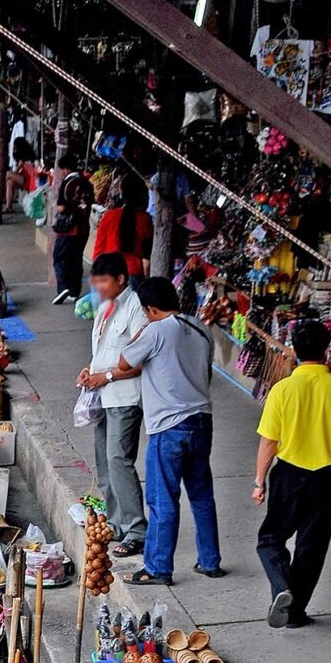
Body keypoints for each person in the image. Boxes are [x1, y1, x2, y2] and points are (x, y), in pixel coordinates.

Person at [253, 319, 331, 629]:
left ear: (294, 351)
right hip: (324, 478)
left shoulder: (283, 390)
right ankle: (295, 614)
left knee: (270, 539)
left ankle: (281, 587)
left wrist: (259, 481)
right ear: (327, 350)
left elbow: (269, 441)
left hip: (288, 476)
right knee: (311, 548)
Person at [117, 277, 222, 587]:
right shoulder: (201, 328)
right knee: (202, 495)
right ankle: (210, 561)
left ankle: (158, 568)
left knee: (162, 500)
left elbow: (124, 363)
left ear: (150, 308)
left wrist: (140, 332)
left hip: (169, 426)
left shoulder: (155, 330)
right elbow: (204, 373)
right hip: (202, 420)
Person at [77, 254, 150, 558]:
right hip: (101, 396)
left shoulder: (136, 308)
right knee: (105, 464)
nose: (99, 288)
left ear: (121, 279)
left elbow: (138, 358)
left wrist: (105, 376)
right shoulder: (105, 308)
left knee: (119, 460)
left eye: (103, 281)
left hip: (124, 396)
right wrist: (88, 371)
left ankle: (137, 530)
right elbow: (102, 352)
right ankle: (117, 521)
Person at [93, 174, 154, 283]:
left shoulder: (109, 216)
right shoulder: (145, 219)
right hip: (133, 273)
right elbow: (146, 258)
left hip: (108, 272)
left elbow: (98, 250)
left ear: (122, 193)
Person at [51, 153, 95, 304]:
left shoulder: (68, 182)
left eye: (62, 169)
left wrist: (58, 209)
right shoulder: (87, 182)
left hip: (69, 228)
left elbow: (62, 207)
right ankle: (75, 290)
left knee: (59, 257)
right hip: (84, 228)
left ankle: (63, 287)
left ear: (66, 168)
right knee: (76, 259)